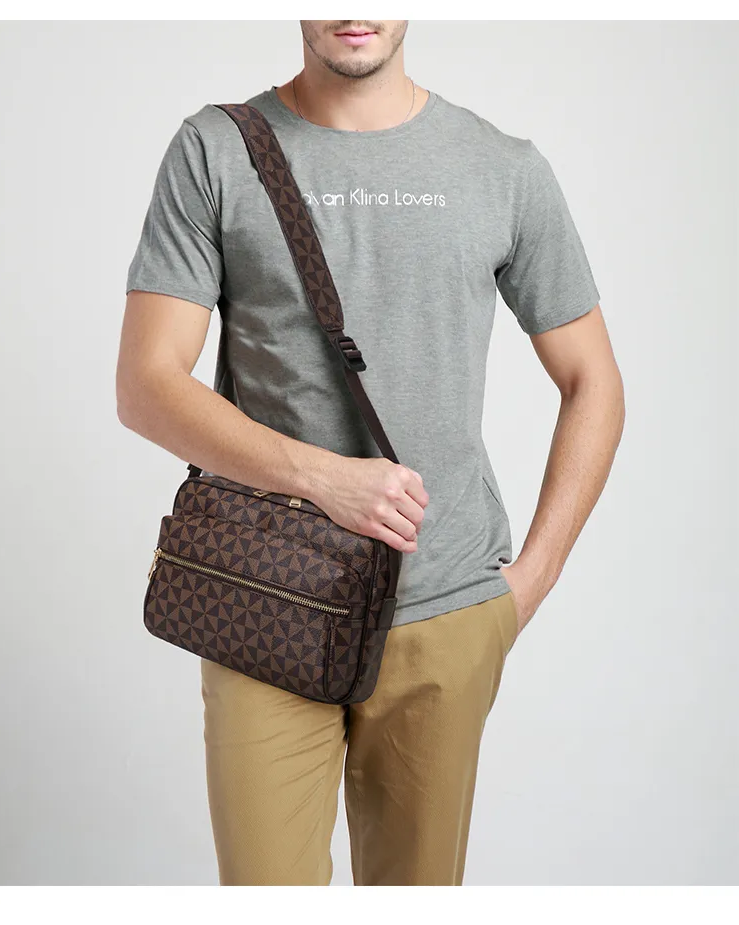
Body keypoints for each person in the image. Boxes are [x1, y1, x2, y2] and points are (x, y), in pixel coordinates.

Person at [117, 20, 625, 886]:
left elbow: (595, 383)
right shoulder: (216, 150)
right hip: (270, 601)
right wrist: (324, 480)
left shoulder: (503, 167)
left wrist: (528, 584)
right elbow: (146, 384)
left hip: (447, 609)